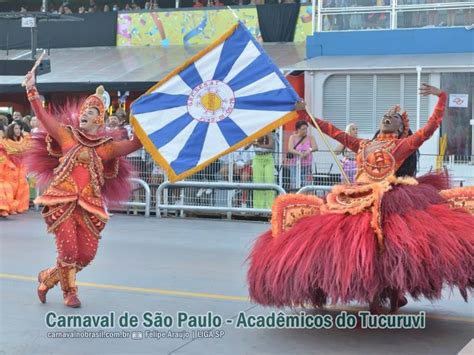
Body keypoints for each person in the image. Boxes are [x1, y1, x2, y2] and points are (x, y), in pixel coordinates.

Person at [247, 84, 473, 314]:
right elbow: (332, 131)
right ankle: (363, 288)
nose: (387, 117)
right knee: (343, 246)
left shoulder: (403, 144)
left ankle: (389, 294)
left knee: (387, 248)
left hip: (387, 201)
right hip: (354, 198)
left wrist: (441, 98)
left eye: (393, 117)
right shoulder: (362, 144)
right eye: (385, 115)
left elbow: (430, 127)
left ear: (402, 127)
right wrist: (306, 114)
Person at [23, 70, 142, 308]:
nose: (84, 115)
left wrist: (143, 119)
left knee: (85, 255)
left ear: (100, 119)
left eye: (90, 112)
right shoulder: (67, 136)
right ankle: (70, 293)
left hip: (91, 206)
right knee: (68, 251)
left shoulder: (106, 149)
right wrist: (31, 90)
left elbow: (134, 144)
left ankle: (48, 276)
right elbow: (44, 117)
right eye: (83, 111)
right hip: (63, 201)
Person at [1, 122, 31, 215]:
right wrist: (9, 164)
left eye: (19, 128)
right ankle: (7, 208)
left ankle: (16, 207)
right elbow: (2, 156)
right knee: (10, 188)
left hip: (21, 168)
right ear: (11, 131)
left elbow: (27, 154)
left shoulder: (24, 141)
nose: (18, 131)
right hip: (8, 169)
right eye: (16, 129)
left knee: (20, 187)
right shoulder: (4, 142)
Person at [287, 120, 318, 190]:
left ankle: (306, 199)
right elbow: (290, 149)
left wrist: (308, 151)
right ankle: (295, 198)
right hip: (295, 164)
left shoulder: (311, 137)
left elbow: (315, 147)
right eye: (303, 129)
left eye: (306, 128)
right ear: (298, 129)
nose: (305, 130)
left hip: (307, 165)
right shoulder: (292, 137)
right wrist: (299, 153)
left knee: (307, 184)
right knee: (294, 183)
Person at [252, 132, 275, 209]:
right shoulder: (254, 133)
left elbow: (271, 146)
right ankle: (258, 208)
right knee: (257, 183)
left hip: (268, 157)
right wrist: (250, 142)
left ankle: (270, 207)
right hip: (257, 158)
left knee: (269, 181)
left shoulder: (268, 131)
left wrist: (259, 145)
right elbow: (246, 147)